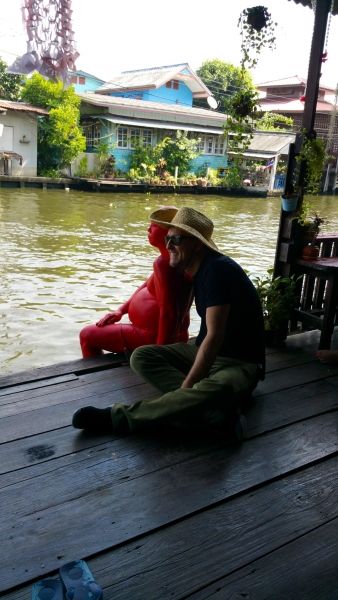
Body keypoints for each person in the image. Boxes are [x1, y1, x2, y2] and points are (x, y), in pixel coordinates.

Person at [72, 206, 265, 437]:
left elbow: (214, 337)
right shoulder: (197, 269)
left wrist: (186, 387)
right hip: (203, 355)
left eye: (175, 239)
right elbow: (148, 283)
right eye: (167, 238)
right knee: (142, 356)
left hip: (239, 364)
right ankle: (209, 411)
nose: (168, 245)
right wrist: (122, 310)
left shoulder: (217, 271)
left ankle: (116, 417)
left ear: (196, 243)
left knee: (218, 388)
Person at [79, 207, 193, 358]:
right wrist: (121, 310)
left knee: (87, 335)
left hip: (153, 337)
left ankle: (92, 377)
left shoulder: (165, 265)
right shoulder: (176, 259)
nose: (148, 229)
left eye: (154, 226)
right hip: (165, 335)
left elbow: (170, 314)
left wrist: (159, 354)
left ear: (169, 233)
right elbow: (148, 284)